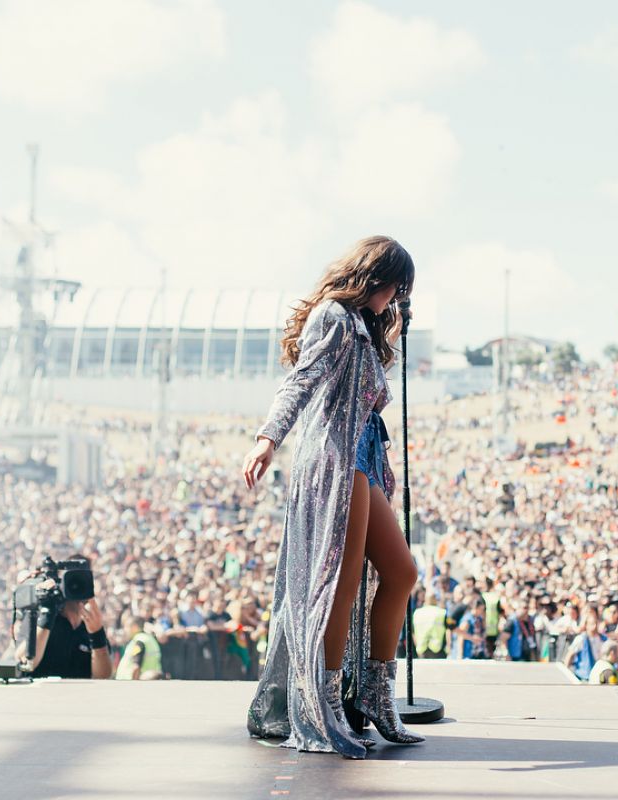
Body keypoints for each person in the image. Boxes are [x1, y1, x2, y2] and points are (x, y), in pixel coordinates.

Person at [242, 237, 423, 759]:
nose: (397, 298)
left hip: (360, 455)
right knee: (337, 587)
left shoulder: (363, 325)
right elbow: (301, 381)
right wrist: (268, 438)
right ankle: (322, 708)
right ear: (375, 276)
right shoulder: (333, 317)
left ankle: (375, 699)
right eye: (396, 286)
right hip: (335, 458)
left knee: (401, 573)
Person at [19, 557, 113, 680]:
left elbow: (103, 676)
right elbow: (25, 662)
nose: (76, 585)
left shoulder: (91, 624)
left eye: (84, 578)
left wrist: (97, 634)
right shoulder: (42, 618)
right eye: (71, 578)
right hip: (42, 696)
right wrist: (47, 614)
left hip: (82, 697)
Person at [115, 617, 163, 681]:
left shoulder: (139, 641)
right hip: (150, 679)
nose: (125, 630)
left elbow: (136, 666)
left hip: (133, 682)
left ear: (134, 627)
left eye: (126, 627)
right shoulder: (149, 638)